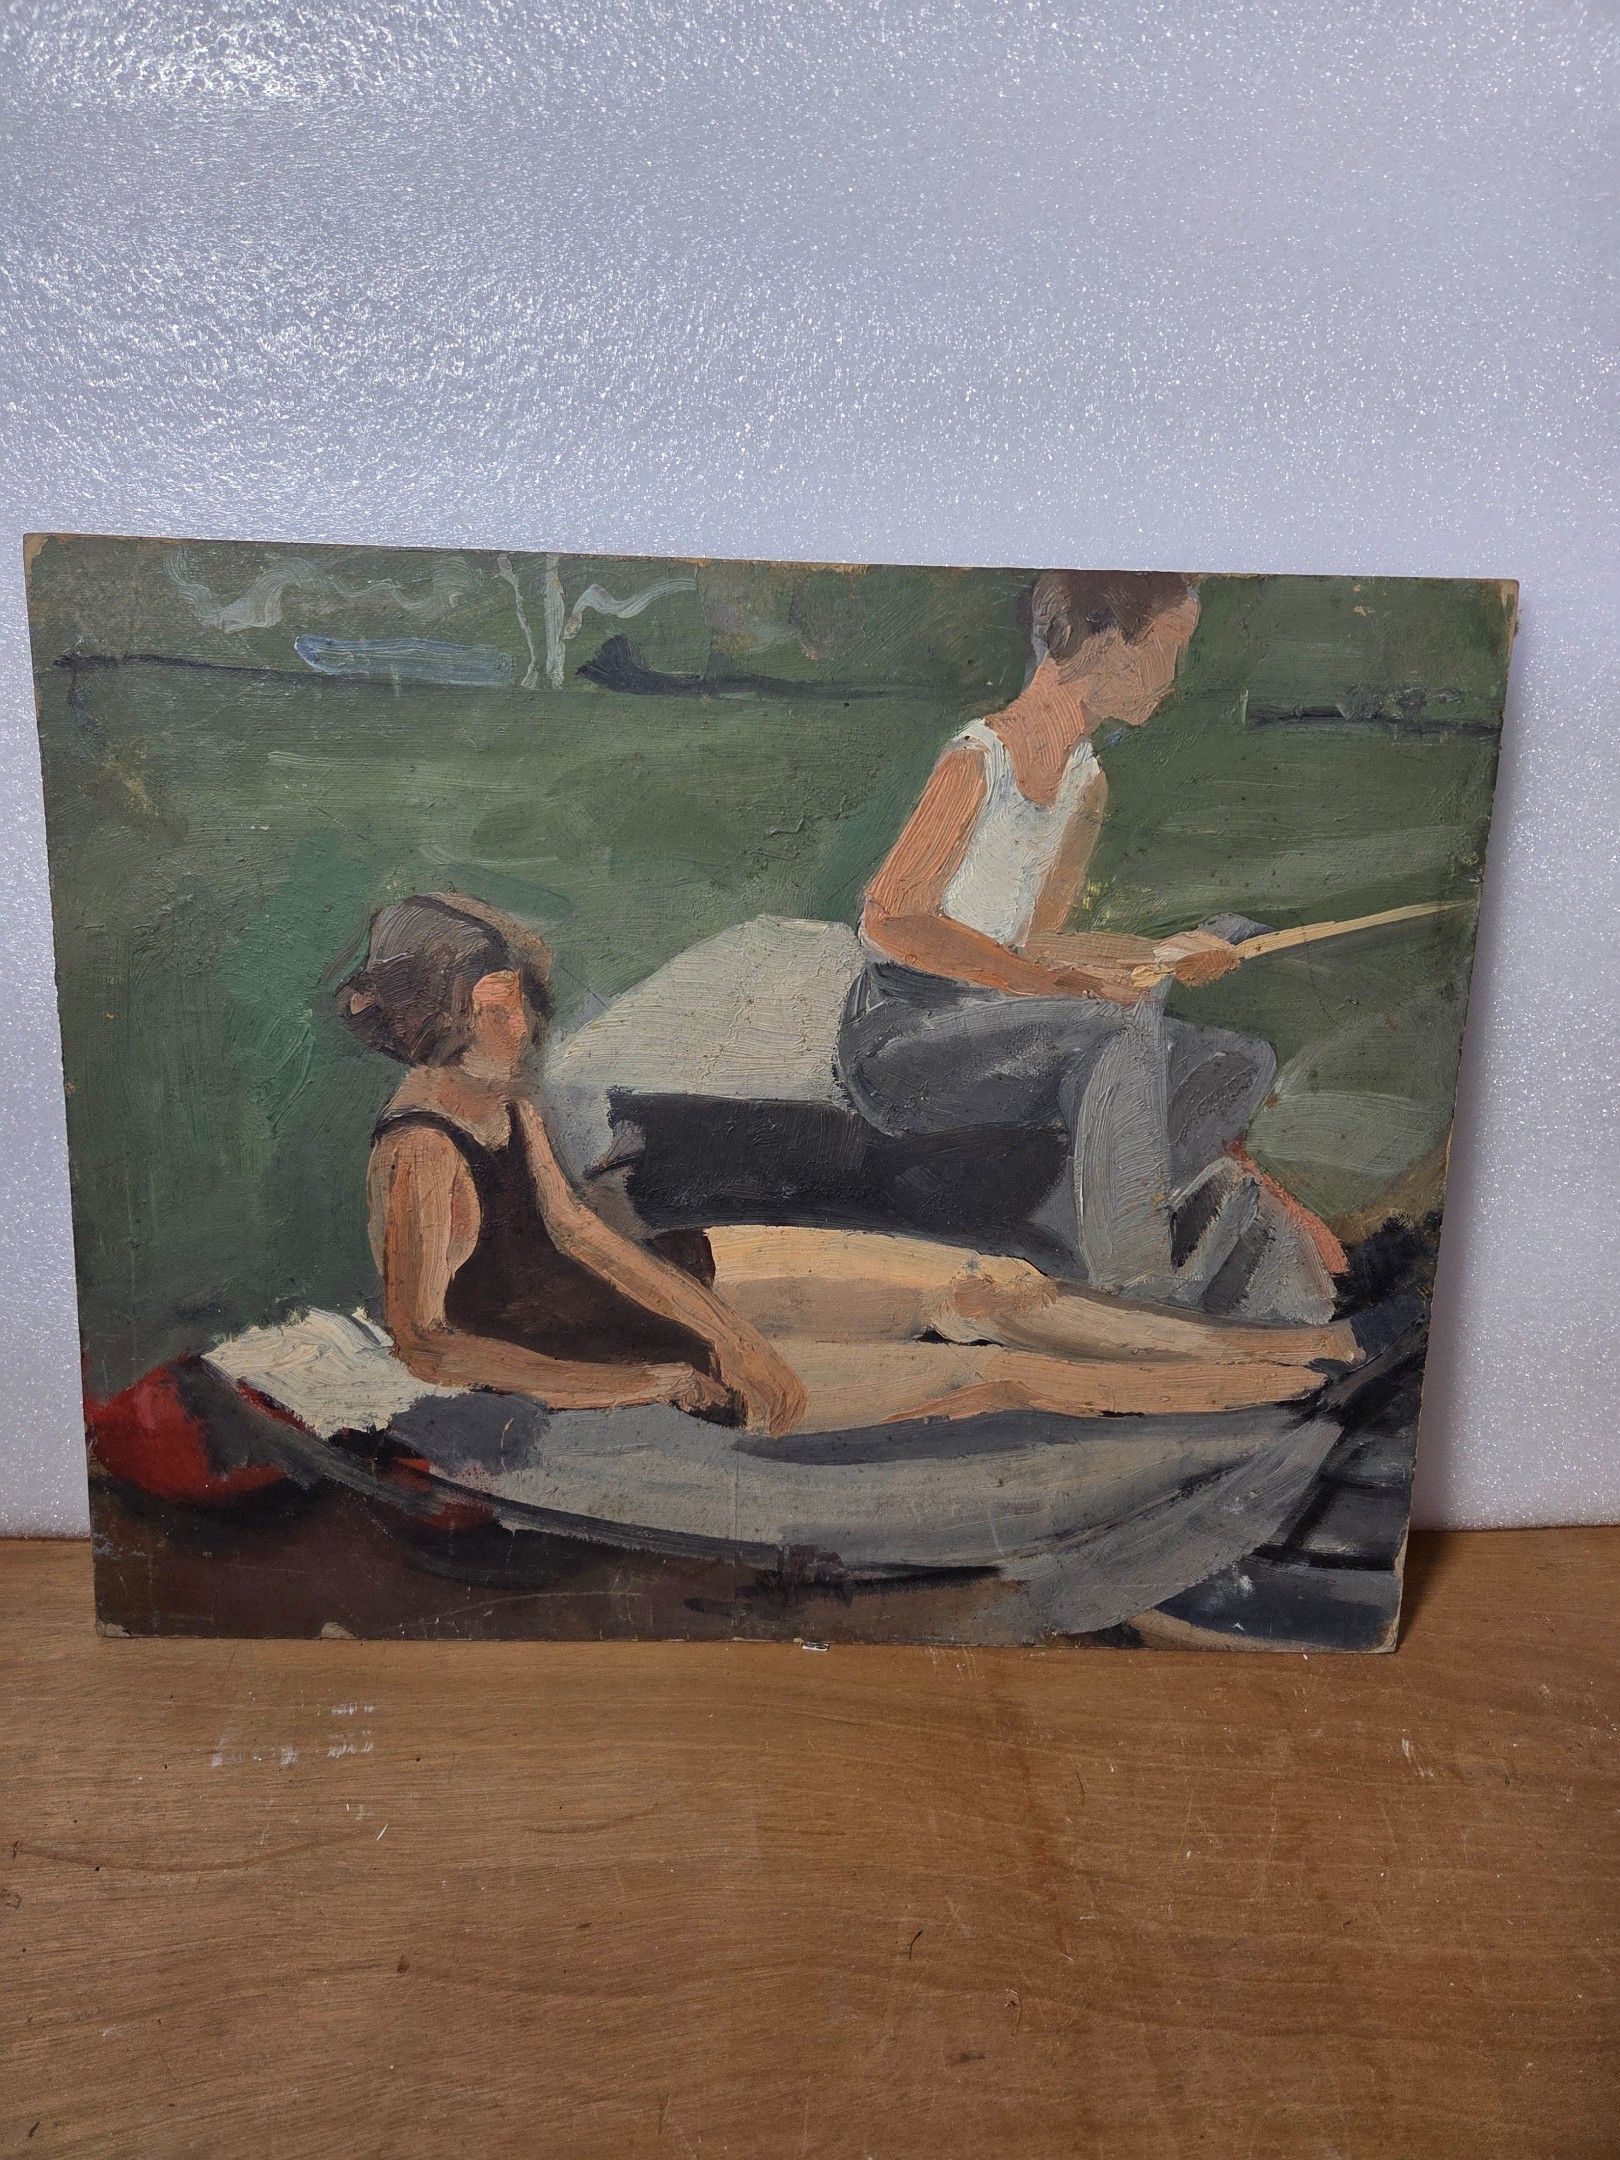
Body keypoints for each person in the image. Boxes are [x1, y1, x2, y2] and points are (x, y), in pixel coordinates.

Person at [337, 895, 1365, 1440]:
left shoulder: (505, 1103)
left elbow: (586, 1241)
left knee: (993, 1287)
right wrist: (648, 1381)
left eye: (516, 1004)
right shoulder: (419, 1148)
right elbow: (429, 1346)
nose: (521, 1027)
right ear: (435, 1020)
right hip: (605, 1350)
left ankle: (1295, 1348)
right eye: (495, 1012)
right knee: (991, 1373)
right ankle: (1266, 1390)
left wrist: (720, 1324)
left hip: (674, 1282)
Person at [839, 569, 1343, 1315]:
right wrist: (1058, 989)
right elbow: (892, 917)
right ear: (1106, 642)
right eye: (1168, 648)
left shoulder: (1085, 781)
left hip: (1003, 1022)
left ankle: (1074, 1228)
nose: (1171, 677)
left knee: (1234, 1061)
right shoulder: (980, 757)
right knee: (1114, 1030)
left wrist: (1165, 954)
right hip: (906, 1034)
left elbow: (1043, 942)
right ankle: (1133, 1281)